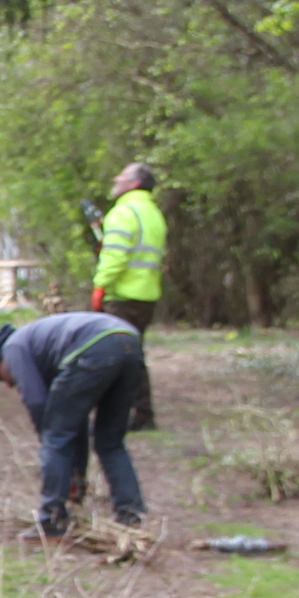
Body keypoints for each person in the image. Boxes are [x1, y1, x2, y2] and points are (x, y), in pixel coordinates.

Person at [0, 311, 148, 538]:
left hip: (96, 346)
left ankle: (51, 521)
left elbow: (37, 403)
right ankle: (131, 516)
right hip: (129, 342)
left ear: (0, 360)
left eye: (1, 377)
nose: (9, 385)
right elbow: (73, 421)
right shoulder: (44, 350)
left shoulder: (13, 347)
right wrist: (75, 473)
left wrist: (51, 446)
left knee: (56, 437)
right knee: (110, 442)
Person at [93, 161, 167, 430]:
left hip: (121, 296)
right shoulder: (153, 213)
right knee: (132, 356)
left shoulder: (123, 213)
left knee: (111, 357)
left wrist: (100, 286)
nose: (116, 179)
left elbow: (114, 257)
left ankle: (115, 419)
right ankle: (143, 416)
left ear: (134, 183)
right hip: (147, 295)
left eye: (121, 176)